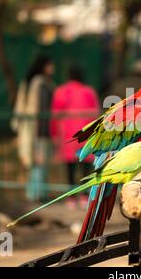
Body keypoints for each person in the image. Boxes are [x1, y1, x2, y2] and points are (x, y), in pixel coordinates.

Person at [50, 65, 100, 208]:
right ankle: (84, 196)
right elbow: (96, 113)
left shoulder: (60, 92)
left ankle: (70, 198)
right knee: (85, 167)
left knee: (69, 168)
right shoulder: (89, 92)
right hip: (86, 135)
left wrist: (54, 134)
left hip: (68, 136)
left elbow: (54, 116)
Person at [11, 54, 55, 202]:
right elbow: (42, 109)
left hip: (30, 128)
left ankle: (33, 193)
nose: (52, 68)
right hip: (39, 129)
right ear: (44, 66)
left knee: (34, 163)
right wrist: (44, 132)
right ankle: (37, 195)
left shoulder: (30, 82)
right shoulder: (41, 84)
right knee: (39, 162)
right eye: (50, 65)